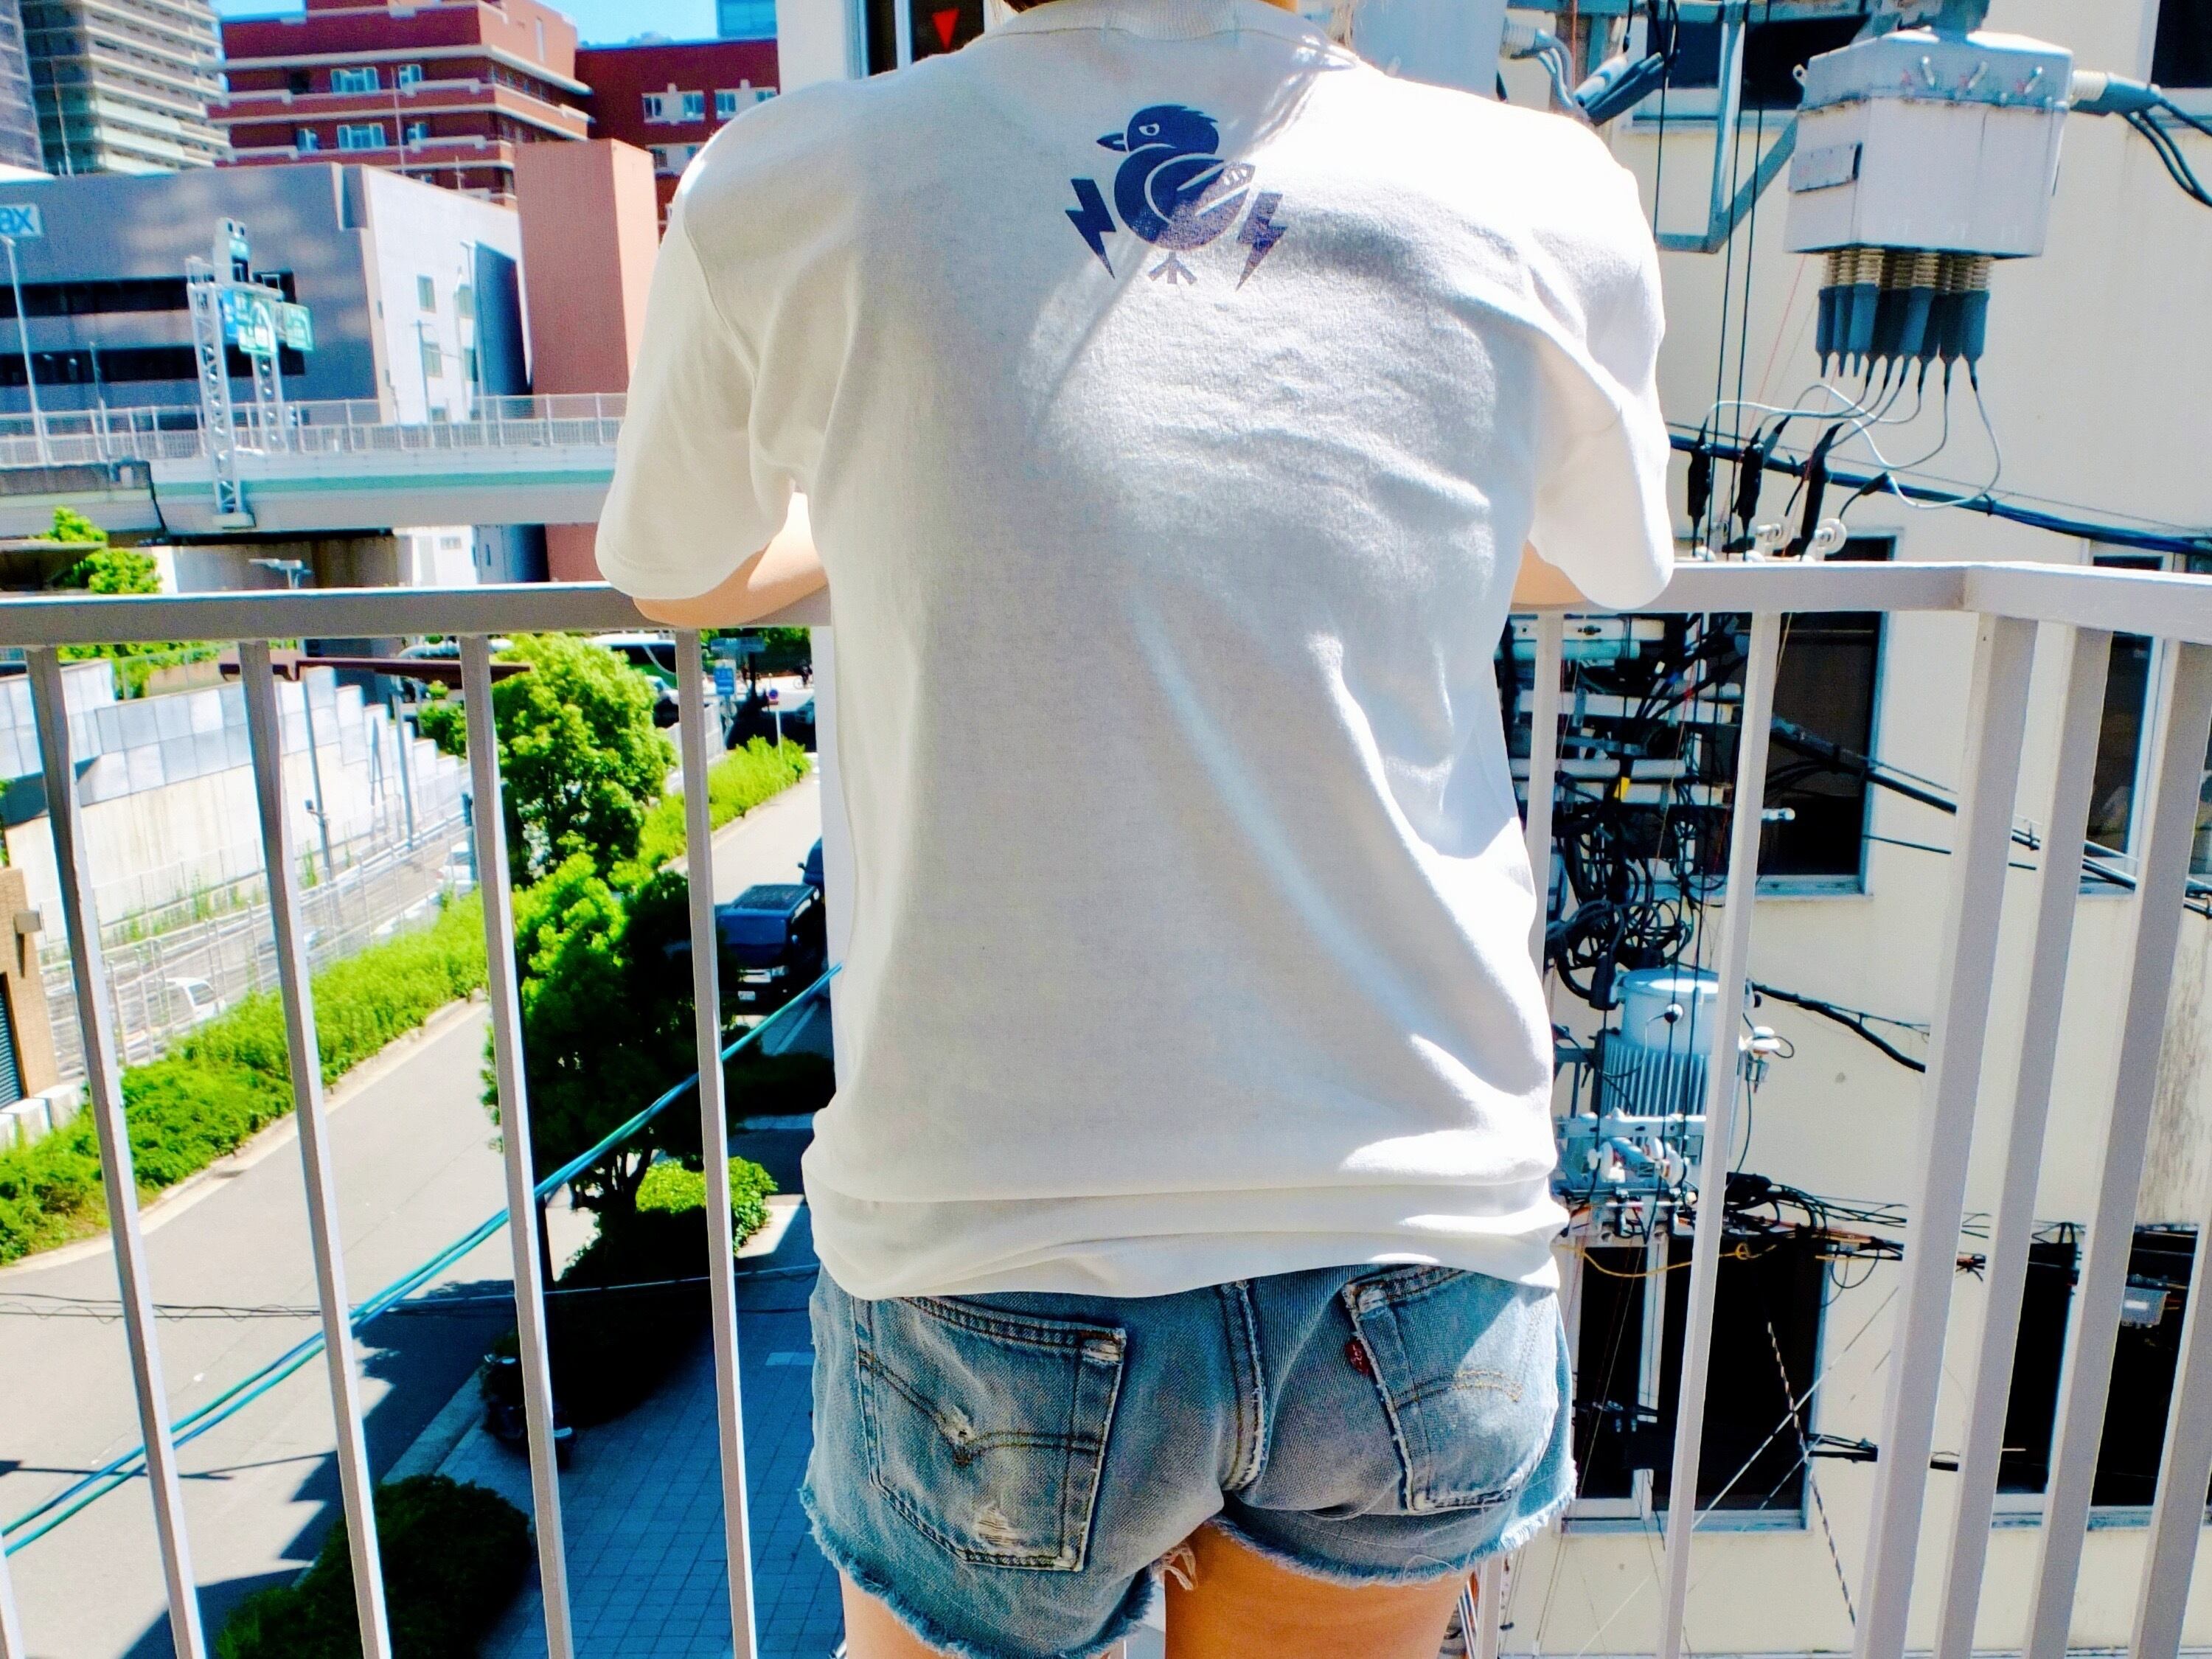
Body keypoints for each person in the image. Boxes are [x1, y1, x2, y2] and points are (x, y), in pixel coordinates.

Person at [594, 0, 1672, 1648]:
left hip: (991, 1238)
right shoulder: (1542, 185)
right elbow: (1595, 556)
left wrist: (889, 514)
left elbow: (674, 567)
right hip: (1414, 1232)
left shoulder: (800, 179)